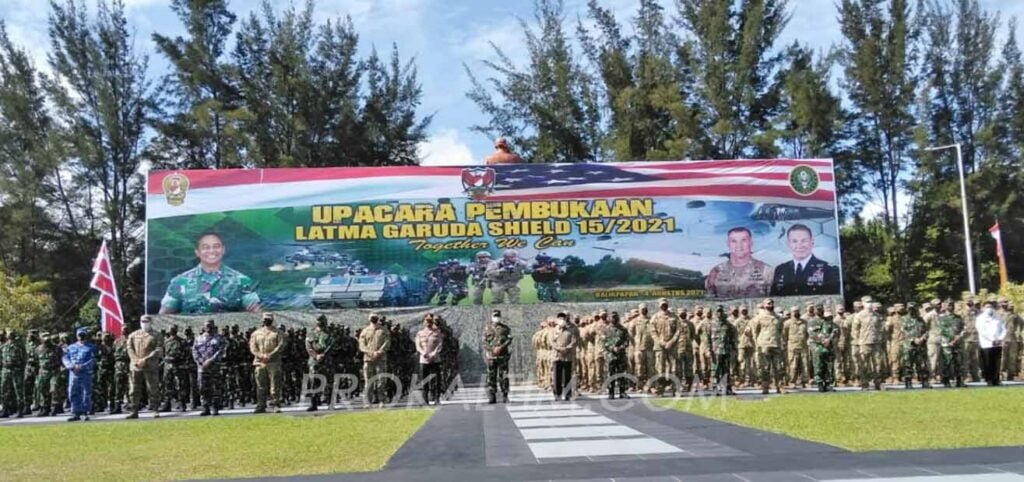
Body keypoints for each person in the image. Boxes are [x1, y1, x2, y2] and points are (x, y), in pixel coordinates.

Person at [160, 232, 261, 314]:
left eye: (216, 246)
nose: (212, 251)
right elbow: (163, 317)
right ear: (197, 252)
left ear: (223, 250)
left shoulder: (241, 280)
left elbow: (257, 314)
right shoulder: (180, 281)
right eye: (205, 247)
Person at [770, 224, 840, 296]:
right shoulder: (781, 269)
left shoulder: (829, 269)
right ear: (788, 244)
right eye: (794, 241)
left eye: (804, 240)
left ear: (812, 242)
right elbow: (774, 298)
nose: (799, 245)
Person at [705, 227, 774, 299]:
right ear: (728, 244)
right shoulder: (716, 272)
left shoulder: (767, 271)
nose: (739, 245)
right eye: (734, 241)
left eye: (744, 240)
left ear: (751, 243)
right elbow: (710, 301)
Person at [126, 316, 163, 419]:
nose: (144, 323)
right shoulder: (133, 335)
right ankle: (134, 411)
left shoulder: (157, 335)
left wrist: (145, 359)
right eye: (142, 321)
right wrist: (135, 360)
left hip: (150, 365)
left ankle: (155, 409)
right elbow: (129, 348)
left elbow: (158, 349)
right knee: (134, 389)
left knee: (153, 388)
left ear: (151, 322)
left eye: (146, 321)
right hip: (136, 366)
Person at [250, 313, 284, 413]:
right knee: (260, 385)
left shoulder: (278, 333)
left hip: (273, 362)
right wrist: (261, 356)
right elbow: (253, 347)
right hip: (260, 362)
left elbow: (280, 346)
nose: (266, 321)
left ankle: (275, 405)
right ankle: (261, 405)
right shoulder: (256, 333)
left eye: (268, 319)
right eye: (265, 319)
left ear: (272, 320)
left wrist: (270, 355)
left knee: (275, 385)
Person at [192, 319, 227, 416]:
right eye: (207, 326)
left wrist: (211, 360)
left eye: (210, 326)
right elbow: (194, 351)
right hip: (202, 368)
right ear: (204, 327)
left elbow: (221, 351)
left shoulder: (219, 338)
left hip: (214, 367)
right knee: (202, 388)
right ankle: (205, 407)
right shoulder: (198, 339)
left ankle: (215, 407)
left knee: (215, 388)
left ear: (213, 326)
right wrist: (200, 361)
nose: (208, 328)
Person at [647, 298, 681, 396]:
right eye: (662, 305)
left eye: (665, 304)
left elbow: (678, 331)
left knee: (674, 368)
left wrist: (671, 342)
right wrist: (661, 342)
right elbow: (653, 332)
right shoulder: (655, 318)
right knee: (659, 369)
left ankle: (676, 389)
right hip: (659, 347)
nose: (664, 306)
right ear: (659, 306)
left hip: (672, 346)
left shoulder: (674, 317)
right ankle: (660, 389)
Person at [62, 328, 96, 422]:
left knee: (86, 393)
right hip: (73, 373)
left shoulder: (91, 347)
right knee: (73, 392)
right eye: (80, 335)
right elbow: (65, 358)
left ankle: (85, 412)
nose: (81, 337)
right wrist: (71, 366)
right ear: (77, 336)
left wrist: (82, 366)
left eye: (83, 335)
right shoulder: (71, 347)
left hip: (85, 373)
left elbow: (93, 360)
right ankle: (75, 412)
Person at [752, 298, 785, 394]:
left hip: (776, 345)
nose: (770, 305)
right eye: (768, 304)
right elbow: (755, 332)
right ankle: (765, 387)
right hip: (764, 346)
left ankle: (780, 386)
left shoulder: (778, 318)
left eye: (772, 303)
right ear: (764, 305)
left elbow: (780, 330)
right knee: (765, 368)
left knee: (778, 367)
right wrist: (758, 343)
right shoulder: (759, 318)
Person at [703, 306, 737, 396]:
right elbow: (706, 339)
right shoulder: (709, 324)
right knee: (715, 370)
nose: (720, 313)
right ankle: (715, 389)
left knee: (726, 370)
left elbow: (733, 337)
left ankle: (727, 388)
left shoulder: (728, 324)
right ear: (715, 313)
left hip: (726, 350)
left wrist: (734, 348)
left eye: (721, 311)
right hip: (715, 352)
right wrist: (708, 350)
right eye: (718, 311)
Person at [358, 314, 391, 406]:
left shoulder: (383, 330)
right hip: (368, 359)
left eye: (374, 317)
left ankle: (382, 400)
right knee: (368, 381)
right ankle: (368, 401)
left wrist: (379, 352)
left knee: (381, 380)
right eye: (371, 317)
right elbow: (361, 345)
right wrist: (369, 352)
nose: (373, 319)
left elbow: (387, 342)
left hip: (380, 358)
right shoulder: (365, 331)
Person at [483, 309, 513, 403]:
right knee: (491, 376)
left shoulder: (505, 328)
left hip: (503, 356)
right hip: (491, 356)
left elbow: (509, 339)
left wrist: (501, 347)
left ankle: (505, 395)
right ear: (491, 317)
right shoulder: (487, 328)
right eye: (495, 316)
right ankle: (492, 396)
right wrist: (492, 349)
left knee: (503, 376)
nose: (496, 318)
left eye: (498, 316)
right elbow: (484, 342)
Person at [898, 303, 930, 389]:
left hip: (921, 345)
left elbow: (926, 331)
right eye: (910, 309)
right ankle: (908, 382)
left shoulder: (920, 319)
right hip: (909, 345)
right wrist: (913, 339)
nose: (912, 310)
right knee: (908, 364)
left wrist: (923, 338)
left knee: (922, 364)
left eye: (913, 309)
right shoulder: (903, 319)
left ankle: (924, 381)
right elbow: (903, 331)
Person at [415, 314, 444, 405]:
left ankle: (436, 398)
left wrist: (434, 353)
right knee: (424, 380)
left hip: (435, 359)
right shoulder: (420, 333)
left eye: (430, 321)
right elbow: (418, 346)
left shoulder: (437, 332)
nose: (428, 323)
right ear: (424, 322)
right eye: (427, 321)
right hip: (424, 360)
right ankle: (425, 399)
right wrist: (423, 353)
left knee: (436, 380)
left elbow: (440, 345)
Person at [160, 325, 190, 412]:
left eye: (173, 329)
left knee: (180, 385)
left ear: (176, 330)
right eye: (170, 329)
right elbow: (163, 353)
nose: (172, 331)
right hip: (168, 366)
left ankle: (182, 403)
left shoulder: (182, 341)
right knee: (167, 385)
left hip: (178, 366)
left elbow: (187, 353)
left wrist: (179, 359)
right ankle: (167, 404)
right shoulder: (166, 341)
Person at [976, 301, 1006, 386]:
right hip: (987, 344)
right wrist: (992, 339)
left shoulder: (998, 317)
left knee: (997, 362)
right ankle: (988, 379)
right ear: (983, 308)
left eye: (990, 307)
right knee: (988, 363)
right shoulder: (980, 318)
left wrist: (1000, 338)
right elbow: (982, 331)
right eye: (987, 307)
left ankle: (996, 379)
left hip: (998, 343)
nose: (989, 309)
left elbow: (1003, 329)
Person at [550, 312, 579, 401]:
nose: (562, 319)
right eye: (560, 318)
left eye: (564, 317)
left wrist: (566, 349)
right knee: (557, 376)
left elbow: (575, 341)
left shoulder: (573, 328)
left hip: (568, 355)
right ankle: (557, 394)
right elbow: (551, 342)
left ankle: (567, 394)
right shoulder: (554, 329)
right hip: (557, 355)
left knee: (567, 376)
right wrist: (559, 349)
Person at [0, 330, 27, 418]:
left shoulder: (19, 346)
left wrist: (21, 368)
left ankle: (20, 411)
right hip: (6, 370)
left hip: (16, 370)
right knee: (5, 391)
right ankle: (5, 410)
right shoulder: (4, 346)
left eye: (11, 335)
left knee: (18, 391)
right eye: (8, 335)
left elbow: (24, 359)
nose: (9, 336)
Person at [996, 297, 1020, 381]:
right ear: (1000, 303)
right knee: (1002, 358)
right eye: (1004, 302)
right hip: (1001, 339)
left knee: (1012, 357)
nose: (1006, 303)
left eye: (1007, 302)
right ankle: (1000, 374)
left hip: (1012, 339)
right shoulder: (997, 314)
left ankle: (1011, 374)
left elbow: (1020, 324)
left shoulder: (1013, 314)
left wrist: (1018, 335)